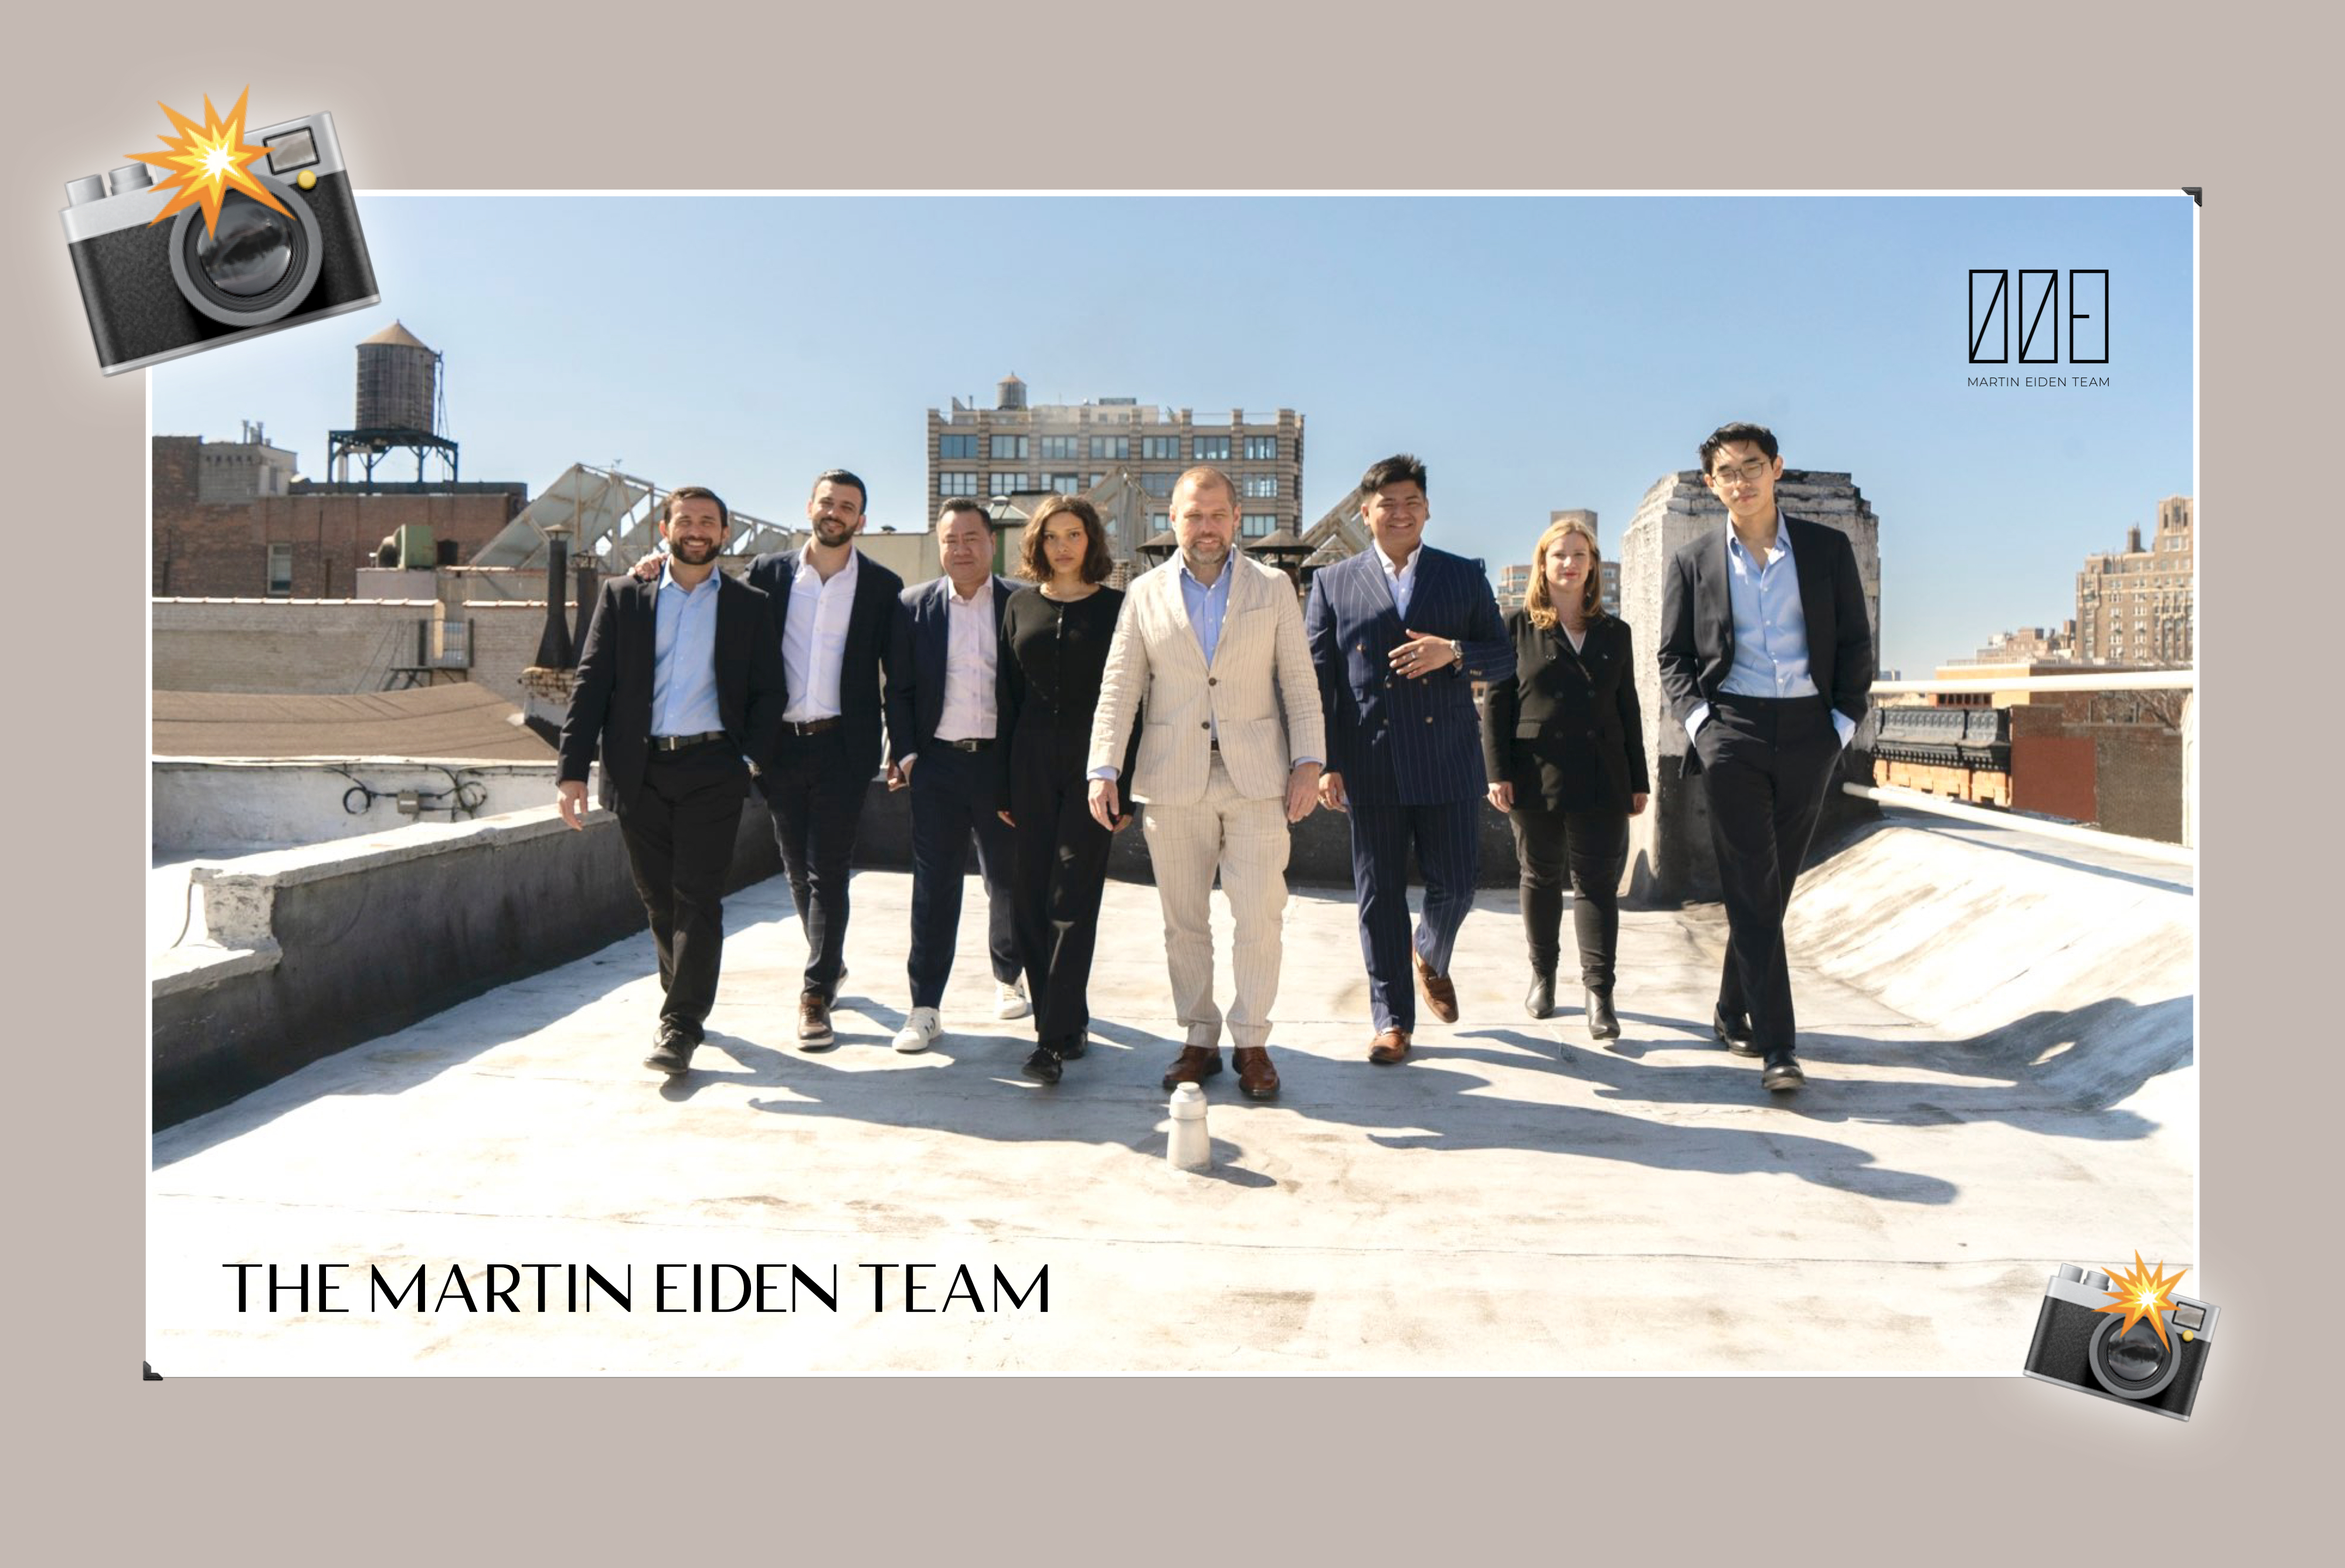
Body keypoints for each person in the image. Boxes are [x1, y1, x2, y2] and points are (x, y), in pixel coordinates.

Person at [1086, 466, 1325, 1100]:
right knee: (1183, 922)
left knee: (1260, 917)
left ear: (1237, 518)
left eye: (1218, 514)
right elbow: (1120, 686)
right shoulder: (1144, 593)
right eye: (1194, 515)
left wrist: (1309, 761)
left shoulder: (1273, 587)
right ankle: (1198, 1035)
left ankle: (1251, 1041)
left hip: (1257, 780)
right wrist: (1104, 767)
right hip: (1172, 780)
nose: (1207, 527)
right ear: (1173, 520)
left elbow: (1299, 682)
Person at [1657, 422, 1874, 1092]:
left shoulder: (1826, 549)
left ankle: (1730, 1007)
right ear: (1711, 484)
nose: (1741, 480)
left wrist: (1840, 725)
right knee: (1752, 882)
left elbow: (1854, 642)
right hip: (1734, 733)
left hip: (1811, 732)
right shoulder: (1694, 560)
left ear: (1776, 468)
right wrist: (1703, 727)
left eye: (1752, 466)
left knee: (1768, 891)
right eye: (1727, 471)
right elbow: (1673, 657)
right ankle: (1778, 1046)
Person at [558, 487, 787, 1075]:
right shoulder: (624, 596)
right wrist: (572, 771)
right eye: (685, 520)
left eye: (708, 521)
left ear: (724, 533)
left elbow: (770, 692)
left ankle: (681, 1023)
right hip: (638, 770)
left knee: (698, 896)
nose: (697, 530)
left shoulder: (748, 604)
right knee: (659, 898)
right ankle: (680, 997)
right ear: (665, 529)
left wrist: (747, 761)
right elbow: (591, 684)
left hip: (714, 768)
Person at [1303, 454, 1513, 1066]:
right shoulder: (1332, 582)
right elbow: (1320, 681)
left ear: (1427, 509)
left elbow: (1504, 659)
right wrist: (1325, 761)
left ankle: (1431, 951)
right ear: (1364, 512)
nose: (1400, 513)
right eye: (1387, 504)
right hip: (1369, 760)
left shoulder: (1462, 575)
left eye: (1411, 502)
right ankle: (1392, 1020)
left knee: (1458, 883)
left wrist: (1454, 652)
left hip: (1447, 757)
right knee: (1379, 897)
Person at [743, 471, 905, 1050]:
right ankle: (830, 961)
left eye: (848, 506)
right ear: (810, 506)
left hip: (844, 746)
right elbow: (726, 627)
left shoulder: (882, 586)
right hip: (780, 746)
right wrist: (652, 567)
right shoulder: (767, 574)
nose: (835, 512)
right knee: (795, 868)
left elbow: (898, 675)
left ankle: (815, 994)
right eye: (828, 502)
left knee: (828, 869)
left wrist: (899, 743)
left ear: (861, 520)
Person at [1481, 514, 1649, 1038]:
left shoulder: (1615, 632)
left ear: (1593, 565)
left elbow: (1628, 707)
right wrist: (1497, 773)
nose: (1570, 564)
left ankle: (1600, 994)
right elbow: (1496, 705)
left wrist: (1639, 779)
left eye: (1580, 555)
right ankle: (1544, 975)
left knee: (1598, 883)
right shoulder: (1514, 627)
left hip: (1603, 771)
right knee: (1541, 875)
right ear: (1543, 564)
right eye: (1560, 555)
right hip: (1535, 771)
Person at [996, 495, 1137, 1084]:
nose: (1062, 546)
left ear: (1091, 542)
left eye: (1073, 534)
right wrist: (1003, 783)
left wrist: (1125, 782)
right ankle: (1065, 1018)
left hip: (1093, 767)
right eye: (1051, 536)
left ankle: (1050, 1042)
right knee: (1028, 899)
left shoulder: (1118, 608)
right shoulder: (1019, 605)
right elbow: (1006, 697)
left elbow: (1135, 699)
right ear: (1037, 543)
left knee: (1072, 900)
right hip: (1028, 765)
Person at [882, 499, 1027, 1054]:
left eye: (971, 538)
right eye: (950, 540)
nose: (961, 549)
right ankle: (925, 1007)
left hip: (1000, 765)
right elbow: (898, 688)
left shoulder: (1021, 601)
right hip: (937, 766)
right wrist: (908, 756)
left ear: (991, 543)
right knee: (933, 887)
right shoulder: (912, 606)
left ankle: (1009, 976)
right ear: (939, 546)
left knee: (1007, 880)